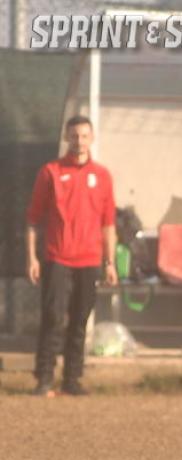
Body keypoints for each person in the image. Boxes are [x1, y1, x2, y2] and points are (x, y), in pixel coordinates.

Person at [26, 114, 117, 397]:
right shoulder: (50, 172)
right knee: (53, 317)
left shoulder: (102, 176)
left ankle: (72, 379)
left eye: (84, 136)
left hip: (89, 260)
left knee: (79, 319)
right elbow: (33, 220)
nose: (79, 141)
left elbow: (108, 224)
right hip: (57, 257)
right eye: (74, 136)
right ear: (67, 137)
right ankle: (44, 378)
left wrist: (110, 263)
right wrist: (32, 258)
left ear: (92, 138)